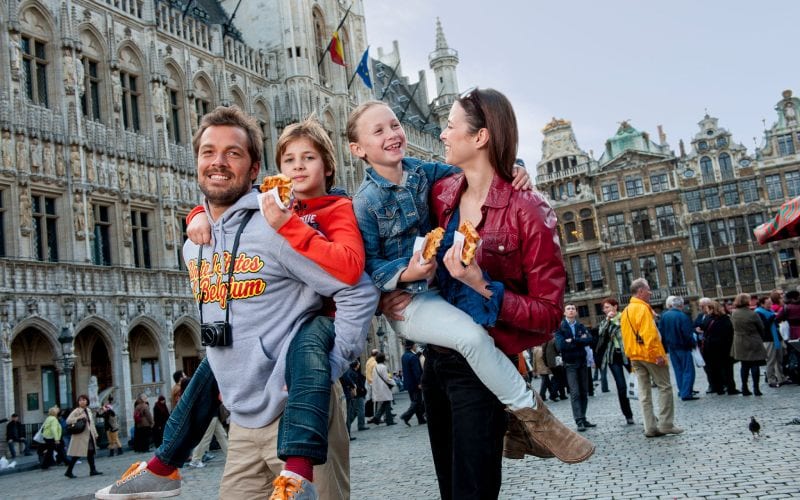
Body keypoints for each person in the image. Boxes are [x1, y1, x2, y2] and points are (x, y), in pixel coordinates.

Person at [97, 106, 377, 500]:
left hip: (297, 407)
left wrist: (331, 364)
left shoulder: (277, 228)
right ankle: (162, 468)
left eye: (233, 153)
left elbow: (356, 288)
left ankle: (168, 466)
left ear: (254, 168)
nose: (218, 162)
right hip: (242, 422)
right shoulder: (193, 246)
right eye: (208, 152)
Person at [348, 96, 592, 481]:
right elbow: (367, 262)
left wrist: (515, 168)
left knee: (471, 486)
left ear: (479, 136)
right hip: (423, 329)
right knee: (452, 483)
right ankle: (526, 417)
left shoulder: (427, 177)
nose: (441, 134)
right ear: (357, 149)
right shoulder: (375, 200)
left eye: (395, 125)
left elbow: (482, 170)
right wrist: (400, 278)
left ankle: (534, 420)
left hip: (473, 354)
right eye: (378, 130)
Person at [620, 278, 683, 438]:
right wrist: (657, 355)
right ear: (640, 291)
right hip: (649, 354)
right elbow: (649, 334)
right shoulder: (643, 309)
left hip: (634, 355)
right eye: (648, 289)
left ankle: (650, 427)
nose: (650, 292)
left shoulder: (626, 311)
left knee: (644, 393)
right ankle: (666, 424)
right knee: (664, 387)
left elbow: (625, 336)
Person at [555, 304, 594, 431]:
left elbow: (589, 340)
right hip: (570, 364)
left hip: (582, 362)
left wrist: (572, 340)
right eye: (568, 309)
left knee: (584, 391)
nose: (571, 311)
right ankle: (579, 420)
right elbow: (561, 346)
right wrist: (579, 340)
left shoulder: (580, 326)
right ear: (564, 313)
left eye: (573, 309)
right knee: (575, 392)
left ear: (576, 312)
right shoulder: (560, 328)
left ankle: (583, 417)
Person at [596, 298, 634, 424]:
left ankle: (648, 413)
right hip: (613, 356)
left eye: (607, 307)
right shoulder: (605, 322)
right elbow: (601, 333)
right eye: (604, 308)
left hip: (628, 354)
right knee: (621, 387)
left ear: (615, 306)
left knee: (639, 383)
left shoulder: (625, 317)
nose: (605, 310)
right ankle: (628, 415)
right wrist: (608, 320)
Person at [659, 296, 698, 401]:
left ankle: (682, 390)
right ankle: (686, 393)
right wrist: (693, 344)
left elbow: (661, 331)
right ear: (682, 305)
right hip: (683, 346)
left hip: (671, 347)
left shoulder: (664, 316)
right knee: (688, 370)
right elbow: (687, 334)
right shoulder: (683, 316)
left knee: (678, 370)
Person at [730, 293, 768, 396]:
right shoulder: (752, 314)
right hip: (752, 339)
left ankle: (744, 387)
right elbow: (761, 327)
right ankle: (756, 388)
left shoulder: (734, 313)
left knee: (744, 365)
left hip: (739, 341)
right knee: (755, 364)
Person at [701, 300, 739, 395]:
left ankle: (719, 388)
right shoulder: (724, 319)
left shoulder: (707, 318)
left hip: (710, 347)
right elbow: (730, 332)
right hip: (724, 346)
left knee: (715, 368)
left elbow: (703, 329)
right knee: (727, 368)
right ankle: (731, 388)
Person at [65, 394, 103, 478]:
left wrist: (95, 433)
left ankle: (92, 470)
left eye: (84, 400)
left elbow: (91, 423)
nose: (82, 401)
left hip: (89, 435)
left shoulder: (88, 410)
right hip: (80, 436)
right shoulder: (77, 411)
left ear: (87, 401)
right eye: (80, 400)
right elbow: (68, 421)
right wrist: (79, 417)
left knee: (90, 452)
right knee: (77, 455)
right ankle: (69, 471)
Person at [755, 296, 789, 388]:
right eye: (768, 303)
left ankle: (781, 378)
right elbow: (763, 326)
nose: (770, 305)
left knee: (779, 359)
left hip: (777, 338)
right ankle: (771, 380)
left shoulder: (770, 311)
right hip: (768, 339)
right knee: (771, 360)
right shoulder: (758, 312)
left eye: (770, 303)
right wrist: (773, 317)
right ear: (762, 304)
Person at [400, 340, 426, 426]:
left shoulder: (404, 356)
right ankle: (406, 416)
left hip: (409, 383)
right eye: (415, 345)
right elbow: (416, 371)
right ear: (412, 346)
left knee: (415, 401)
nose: (416, 347)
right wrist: (419, 382)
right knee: (417, 401)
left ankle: (420, 419)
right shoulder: (413, 357)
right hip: (415, 383)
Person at [370, 353, 396, 426]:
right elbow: (386, 378)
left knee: (385, 403)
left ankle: (377, 418)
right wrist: (393, 382)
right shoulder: (383, 367)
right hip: (384, 387)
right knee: (387, 403)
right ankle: (388, 420)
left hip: (378, 387)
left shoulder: (375, 367)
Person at [40, 406, 62, 470]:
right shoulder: (54, 419)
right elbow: (53, 429)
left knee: (51, 451)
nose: (58, 411)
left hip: (47, 436)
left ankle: (45, 465)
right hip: (51, 437)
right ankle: (45, 465)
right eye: (56, 410)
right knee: (51, 451)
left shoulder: (49, 418)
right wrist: (56, 439)